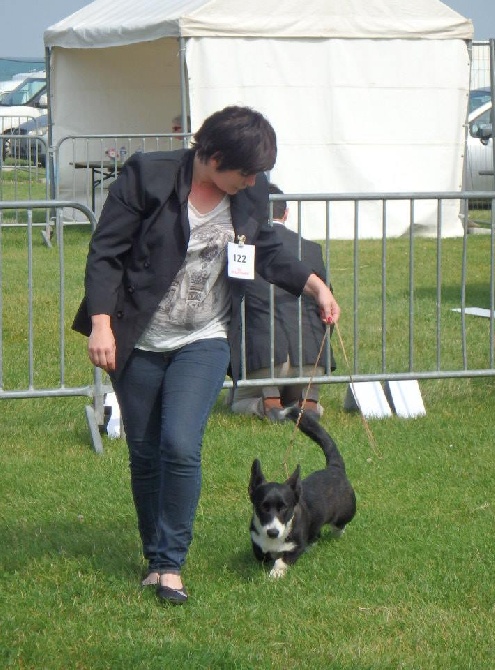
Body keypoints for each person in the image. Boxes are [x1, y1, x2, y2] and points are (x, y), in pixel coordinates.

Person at [72, 106, 340, 606]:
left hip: (207, 335)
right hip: (139, 336)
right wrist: (102, 324)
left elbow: (267, 252)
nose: (254, 180)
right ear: (212, 156)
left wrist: (315, 286)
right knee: (146, 450)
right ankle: (155, 558)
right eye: (245, 171)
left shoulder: (250, 192)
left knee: (180, 443)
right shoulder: (147, 176)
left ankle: (171, 565)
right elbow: (105, 252)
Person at [227, 184, 335, 421]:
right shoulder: (312, 249)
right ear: (285, 214)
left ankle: (267, 402)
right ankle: (309, 401)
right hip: (311, 357)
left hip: (263, 356)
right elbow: (327, 307)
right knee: (298, 387)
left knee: (236, 401)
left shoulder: (239, 248)